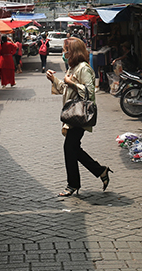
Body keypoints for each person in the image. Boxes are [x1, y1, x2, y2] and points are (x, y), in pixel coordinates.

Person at [46, 37, 112, 197]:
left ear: (73, 51)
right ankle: (100, 171)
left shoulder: (84, 68)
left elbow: (90, 92)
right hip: (72, 115)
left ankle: (73, 184)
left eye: (66, 49)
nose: (64, 52)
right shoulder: (73, 68)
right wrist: (54, 79)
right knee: (73, 148)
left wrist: (71, 83)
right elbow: (64, 88)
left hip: (80, 115)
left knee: (70, 148)